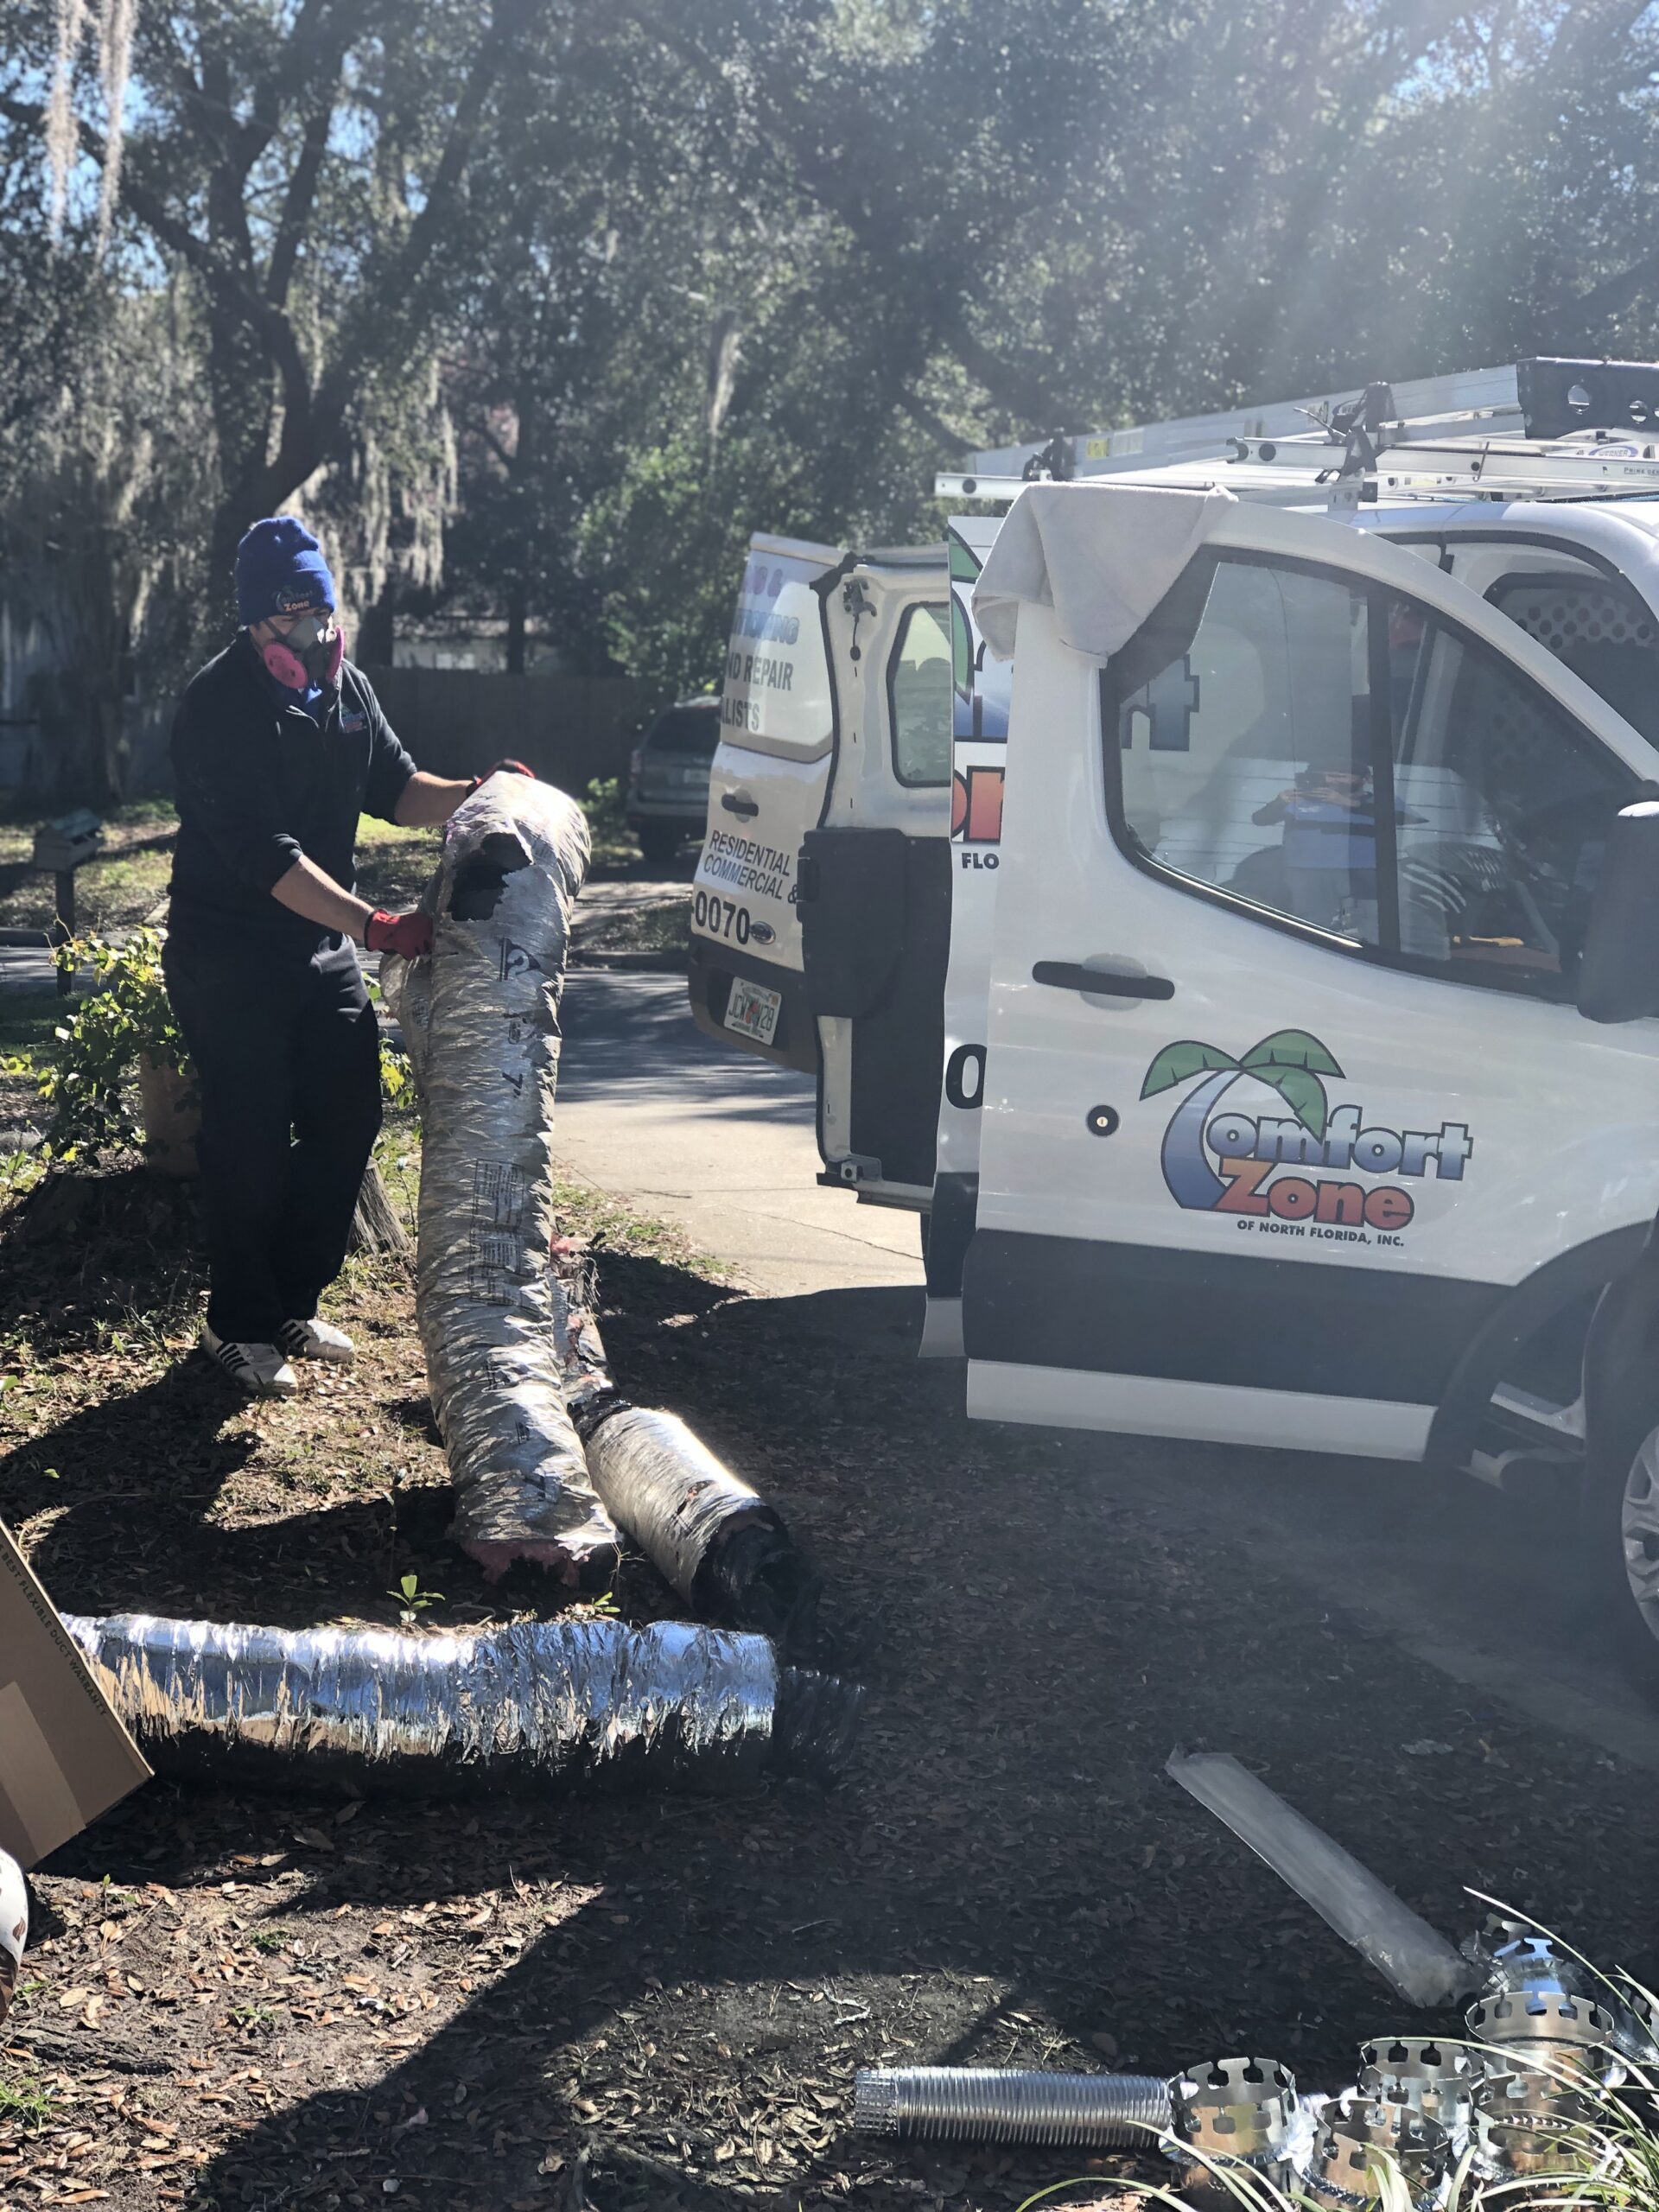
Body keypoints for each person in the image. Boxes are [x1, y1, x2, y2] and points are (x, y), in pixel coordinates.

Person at [165, 514, 531, 1397]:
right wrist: (374, 924)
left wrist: (476, 795)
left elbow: (396, 787)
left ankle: (292, 1298)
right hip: (229, 952)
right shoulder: (213, 709)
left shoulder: (346, 689)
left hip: (317, 950)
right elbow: (270, 858)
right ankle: (236, 1323)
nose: (315, 630)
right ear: (257, 624)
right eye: (293, 614)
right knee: (247, 1140)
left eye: (322, 609)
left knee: (348, 1115)